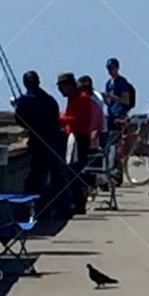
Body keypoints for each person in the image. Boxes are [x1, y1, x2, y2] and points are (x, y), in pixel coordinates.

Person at [15, 71, 67, 215]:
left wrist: (17, 105)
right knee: (56, 177)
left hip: (38, 144)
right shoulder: (50, 100)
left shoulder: (25, 101)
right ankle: (59, 208)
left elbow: (20, 121)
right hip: (54, 142)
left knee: (38, 178)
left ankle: (40, 210)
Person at [57, 72, 94, 214]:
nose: (61, 92)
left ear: (69, 86)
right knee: (74, 171)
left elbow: (74, 119)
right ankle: (76, 202)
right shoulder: (75, 97)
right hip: (75, 137)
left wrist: (57, 118)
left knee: (74, 171)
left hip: (79, 138)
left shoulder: (81, 98)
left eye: (62, 88)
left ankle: (77, 203)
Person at [78, 75, 107, 147]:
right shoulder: (78, 98)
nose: (84, 89)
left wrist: (96, 130)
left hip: (99, 130)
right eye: (82, 87)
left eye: (86, 87)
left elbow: (98, 116)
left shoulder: (96, 98)